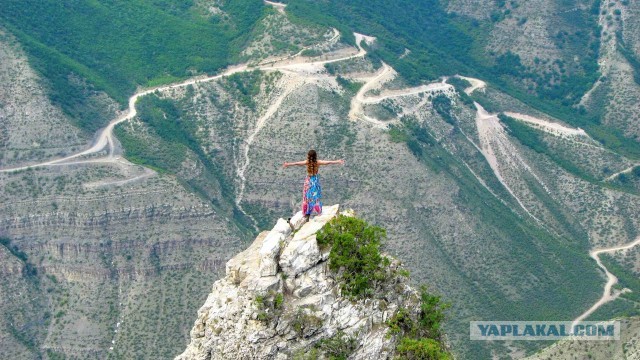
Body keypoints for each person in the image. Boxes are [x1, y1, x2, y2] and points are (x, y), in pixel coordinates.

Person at [283, 150, 345, 222]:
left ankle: (306, 212)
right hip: (315, 181)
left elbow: (297, 163)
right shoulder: (317, 162)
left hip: (308, 181)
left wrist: (288, 164)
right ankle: (318, 211)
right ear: (315, 155)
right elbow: (328, 162)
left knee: (307, 196)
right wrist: (337, 161)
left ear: (308, 156)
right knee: (315, 196)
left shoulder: (307, 162)